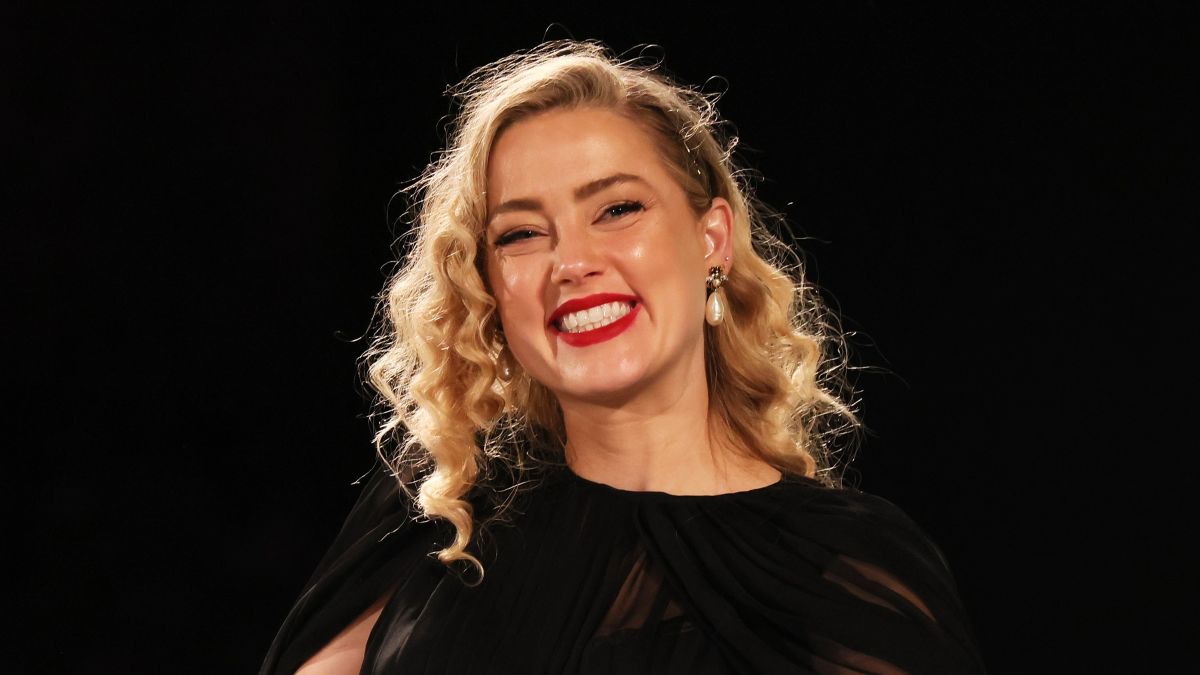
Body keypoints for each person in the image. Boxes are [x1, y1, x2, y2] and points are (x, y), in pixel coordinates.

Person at [261, 40, 985, 674]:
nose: (571, 262)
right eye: (520, 234)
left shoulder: (848, 567)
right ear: (488, 288)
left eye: (616, 209)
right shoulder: (440, 522)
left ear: (712, 239)